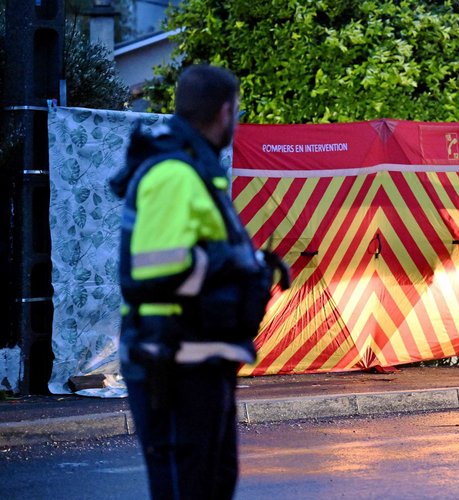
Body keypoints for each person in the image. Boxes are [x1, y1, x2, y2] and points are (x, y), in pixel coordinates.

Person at [109, 65, 273, 499]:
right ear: (225, 111)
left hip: (197, 357)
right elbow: (154, 271)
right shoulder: (175, 174)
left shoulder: (193, 169)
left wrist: (248, 264)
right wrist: (236, 267)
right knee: (187, 490)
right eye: (236, 111)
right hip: (174, 360)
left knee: (210, 485)